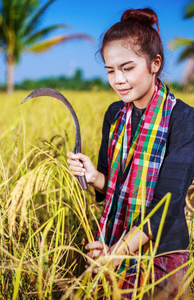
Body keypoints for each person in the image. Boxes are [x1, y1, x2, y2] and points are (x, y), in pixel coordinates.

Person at [67, 8, 194, 299]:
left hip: (164, 257)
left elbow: (166, 205)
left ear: (154, 64)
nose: (118, 80)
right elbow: (111, 186)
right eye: (110, 70)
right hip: (113, 244)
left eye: (127, 67)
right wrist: (94, 176)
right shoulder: (114, 115)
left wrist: (114, 253)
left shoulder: (184, 120)